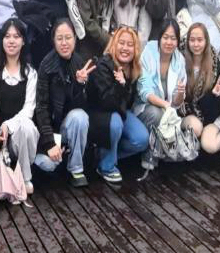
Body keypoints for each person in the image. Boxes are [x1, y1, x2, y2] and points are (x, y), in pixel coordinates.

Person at [0, 19, 40, 194]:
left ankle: (24, 178)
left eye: (16, 36)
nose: (12, 41)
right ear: (2, 40)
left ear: (23, 41)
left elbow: (28, 110)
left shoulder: (30, 73)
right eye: (7, 36)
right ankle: (6, 172)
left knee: (27, 127)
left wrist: (8, 125)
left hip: (18, 138)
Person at [86, 27, 150, 184]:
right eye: (121, 43)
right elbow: (107, 102)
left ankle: (102, 156)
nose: (125, 48)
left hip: (120, 112)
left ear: (135, 49)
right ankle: (107, 166)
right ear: (114, 44)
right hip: (99, 114)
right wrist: (120, 85)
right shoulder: (103, 65)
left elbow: (128, 102)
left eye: (130, 44)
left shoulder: (134, 68)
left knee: (141, 139)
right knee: (115, 123)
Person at [33, 20, 93, 188]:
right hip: (49, 130)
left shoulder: (79, 63)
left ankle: (76, 169)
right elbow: (41, 107)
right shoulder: (46, 65)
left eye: (68, 37)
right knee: (48, 165)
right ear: (53, 40)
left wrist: (80, 84)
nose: (64, 43)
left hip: (67, 126)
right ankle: (45, 156)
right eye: (59, 38)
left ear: (75, 38)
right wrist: (49, 143)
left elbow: (81, 106)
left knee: (80, 117)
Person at [134, 19, 191, 178]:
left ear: (178, 41)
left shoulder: (179, 60)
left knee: (166, 116)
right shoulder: (148, 53)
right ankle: (149, 154)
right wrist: (166, 105)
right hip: (145, 108)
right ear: (159, 38)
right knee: (157, 113)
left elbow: (177, 103)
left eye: (173, 38)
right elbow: (144, 91)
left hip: (168, 110)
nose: (169, 42)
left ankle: (163, 151)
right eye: (165, 37)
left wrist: (180, 93)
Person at [178, 22, 220, 155]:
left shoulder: (215, 65)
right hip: (187, 114)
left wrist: (214, 94)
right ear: (187, 41)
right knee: (196, 127)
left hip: (209, 116)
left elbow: (217, 107)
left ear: (206, 41)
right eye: (192, 40)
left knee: (210, 146)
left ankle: (218, 137)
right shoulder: (180, 60)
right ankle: (191, 138)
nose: (196, 44)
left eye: (200, 40)